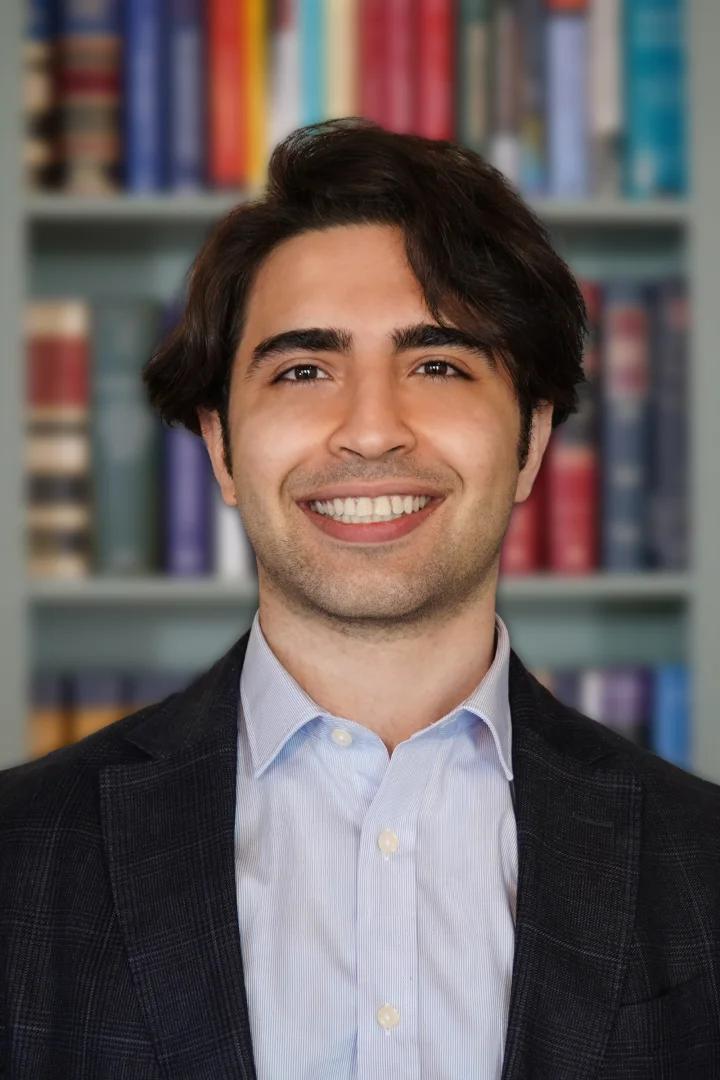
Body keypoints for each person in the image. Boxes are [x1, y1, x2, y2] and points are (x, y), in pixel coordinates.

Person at [1, 118, 719, 1080]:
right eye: (303, 370)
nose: (371, 431)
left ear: (532, 443)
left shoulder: (703, 861)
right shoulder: (18, 860)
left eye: (438, 365)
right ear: (219, 446)